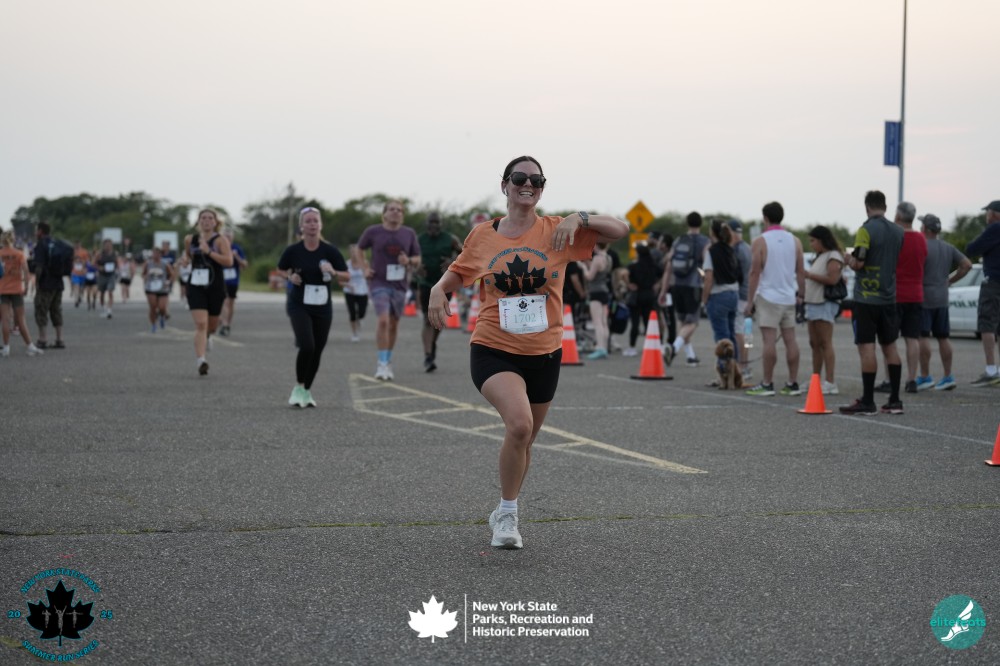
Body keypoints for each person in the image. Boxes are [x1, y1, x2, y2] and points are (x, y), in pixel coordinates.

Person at [426, 155, 628, 550]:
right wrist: (438, 288)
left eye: (537, 180)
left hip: (545, 352)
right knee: (519, 426)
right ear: (505, 185)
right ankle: (508, 515)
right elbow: (461, 270)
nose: (528, 185)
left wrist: (580, 218)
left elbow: (621, 230)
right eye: (520, 178)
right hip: (494, 348)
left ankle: (506, 506)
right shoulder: (483, 235)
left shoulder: (558, 231)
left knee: (526, 439)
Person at [839, 190, 905, 415]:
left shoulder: (865, 230)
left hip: (866, 299)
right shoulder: (898, 231)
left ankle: (868, 401)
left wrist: (848, 259)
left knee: (867, 348)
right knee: (890, 347)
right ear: (885, 207)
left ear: (867, 207)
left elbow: (859, 263)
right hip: (889, 298)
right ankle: (895, 400)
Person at [277, 207, 350, 407]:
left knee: (317, 349)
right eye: (308, 221)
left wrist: (333, 272)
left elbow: (347, 276)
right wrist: (290, 277)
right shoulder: (293, 250)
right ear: (301, 226)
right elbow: (280, 269)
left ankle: (306, 391)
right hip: (299, 304)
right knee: (307, 345)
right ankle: (298, 386)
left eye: (315, 221)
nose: (312, 224)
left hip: (323, 306)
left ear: (321, 225)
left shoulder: (330, 250)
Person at [744, 202, 804, 396]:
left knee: (769, 341)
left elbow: (755, 272)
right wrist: (801, 294)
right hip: (788, 296)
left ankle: (767, 383)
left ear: (765, 218)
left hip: (768, 296)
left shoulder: (760, 241)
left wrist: (749, 301)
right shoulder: (795, 241)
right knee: (790, 340)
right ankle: (792, 383)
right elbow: (800, 270)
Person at [357, 200, 421, 380]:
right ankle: (381, 363)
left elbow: (417, 258)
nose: (396, 212)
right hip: (379, 282)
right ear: (384, 213)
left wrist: (408, 261)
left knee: (393, 324)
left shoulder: (408, 233)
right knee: (383, 321)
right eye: (392, 209)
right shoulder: (373, 231)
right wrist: (364, 268)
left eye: (399, 210)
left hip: (399, 285)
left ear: (403, 215)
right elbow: (359, 249)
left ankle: (387, 360)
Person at [875, 202, 926, 394]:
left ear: (897, 216)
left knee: (889, 340)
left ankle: (890, 379)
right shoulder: (921, 239)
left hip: (894, 294)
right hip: (916, 294)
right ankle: (911, 379)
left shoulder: (895, 237)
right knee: (912, 338)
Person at [916, 213, 971, 391]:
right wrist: (950, 280)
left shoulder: (921, 246)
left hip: (924, 296)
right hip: (942, 297)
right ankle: (948, 376)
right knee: (943, 337)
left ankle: (925, 376)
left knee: (923, 336)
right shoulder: (948, 247)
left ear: (925, 229)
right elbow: (967, 265)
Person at [183, 209, 234, 376]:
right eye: (203, 218)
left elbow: (229, 261)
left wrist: (209, 252)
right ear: (198, 221)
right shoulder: (190, 239)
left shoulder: (220, 240)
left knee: (211, 326)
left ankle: (209, 336)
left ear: (215, 222)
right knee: (200, 324)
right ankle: (201, 360)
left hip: (215, 286)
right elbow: (188, 256)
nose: (206, 221)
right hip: (196, 285)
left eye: (210, 218)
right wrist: (185, 261)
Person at [660, 212, 710, 366]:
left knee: (683, 322)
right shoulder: (704, 241)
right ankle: (673, 348)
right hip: (693, 286)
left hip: (677, 286)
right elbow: (707, 266)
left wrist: (663, 291)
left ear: (687, 223)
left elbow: (668, 267)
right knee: (692, 323)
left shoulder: (678, 240)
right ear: (700, 223)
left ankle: (690, 356)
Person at [416, 212, 462, 371]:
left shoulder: (450, 239)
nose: (434, 225)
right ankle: (428, 356)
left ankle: (432, 343)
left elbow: (466, 253)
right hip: (425, 283)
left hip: (444, 285)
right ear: (426, 224)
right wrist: (416, 267)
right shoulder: (419, 240)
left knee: (438, 320)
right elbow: (411, 257)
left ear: (441, 224)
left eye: (437, 222)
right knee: (427, 319)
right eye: (431, 222)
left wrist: (453, 261)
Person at [803, 225, 845, 395]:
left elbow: (832, 279)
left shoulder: (833, 256)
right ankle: (816, 379)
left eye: (813, 241)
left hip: (824, 303)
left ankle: (830, 381)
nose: (811, 244)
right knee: (814, 343)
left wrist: (809, 275)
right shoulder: (820, 256)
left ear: (822, 240)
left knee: (825, 342)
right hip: (813, 302)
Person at [701, 219, 741, 383]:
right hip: (733, 294)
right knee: (731, 336)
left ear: (712, 232)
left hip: (719, 295)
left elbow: (708, 278)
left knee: (722, 338)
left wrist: (704, 299)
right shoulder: (730, 249)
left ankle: (724, 374)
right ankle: (736, 372)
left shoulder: (712, 251)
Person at [966, 200, 1000, 386]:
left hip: (994, 283)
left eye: (987, 212)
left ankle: (991, 370)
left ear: (994, 214)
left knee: (987, 325)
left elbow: (972, 248)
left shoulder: (994, 229)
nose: (986, 215)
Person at [1, 231, 43, 357]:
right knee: (20, 319)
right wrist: (26, 286)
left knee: (5, 319)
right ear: (13, 240)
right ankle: (29, 345)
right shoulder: (19, 254)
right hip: (16, 289)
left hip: (2, 289)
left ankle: (6, 347)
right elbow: (26, 271)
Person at [31, 222, 66, 349]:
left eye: (37, 230)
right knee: (56, 310)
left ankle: (43, 339)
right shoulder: (56, 243)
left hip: (46, 284)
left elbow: (39, 266)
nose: (36, 233)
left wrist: (37, 283)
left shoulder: (41, 244)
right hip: (58, 283)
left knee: (41, 310)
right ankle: (59, 339)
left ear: (40, 231)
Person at [625, 241, 663, 357]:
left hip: (636, 296)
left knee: (635, 323)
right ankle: (650, 345)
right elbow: (663, 274)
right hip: (649, 295)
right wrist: (658, 284)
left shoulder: (633, 266)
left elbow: (623, 274)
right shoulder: (653, 266)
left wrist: (629, 284)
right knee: (649, 323)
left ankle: (632, 347)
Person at [729, 220, 752, 378]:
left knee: (739, 332)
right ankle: (746, 365)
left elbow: (736, 274)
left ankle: (742, 367)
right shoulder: (748, 248)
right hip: (750, 294)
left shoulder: (737, 250)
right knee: (748, 332)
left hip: (741, 295)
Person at [582, 242, 612, 359]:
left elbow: (590, 276)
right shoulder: (608, 258)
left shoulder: (597, 258)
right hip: (604, 290)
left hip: (595, 291)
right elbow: (599, 270)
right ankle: (604, 346)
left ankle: (600, 348)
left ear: (596, 245)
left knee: (597, 322)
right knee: (604, 321)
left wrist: (583, 268)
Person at [219, 227, 248, 337]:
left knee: (230, 303)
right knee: (224, 301)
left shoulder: (237, 248)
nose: (227, 239)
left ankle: (227, 324)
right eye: (225, 236)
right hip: (221, 280)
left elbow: (244, 265)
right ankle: (224, 324)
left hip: (233, 281)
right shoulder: (218, 248)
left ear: (232, 238)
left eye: (229, 237)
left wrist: (236, 256)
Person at [143, 246, 175, 333]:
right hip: (151, 288)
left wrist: (168, 282)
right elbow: (143, 273)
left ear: (160, 254)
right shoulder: (148, 263)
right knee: (152, 307)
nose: (155, 255)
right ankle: (153, 324)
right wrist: (145, 278)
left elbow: (172, 274)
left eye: (157, 253)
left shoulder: (165, 264)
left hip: (162, 288)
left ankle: (162, 316)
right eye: (154, 253)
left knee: (162, 307)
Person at [343, 244, 370, 343]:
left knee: (362, 312)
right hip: (350, 291)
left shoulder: (365, 263)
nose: (354, 254)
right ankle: (355, 334)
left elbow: (368, 276)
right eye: (352, 252)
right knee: (352, 313)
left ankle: (360, 319)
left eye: (355, 252)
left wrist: (366, 272)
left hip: (362, 291)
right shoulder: (346, 264)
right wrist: (348, 285)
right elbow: (341, 279)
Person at [94, 239, 118, 319]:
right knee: (102, 293)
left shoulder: (114, 254)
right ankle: (103, 307)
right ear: (104, 246)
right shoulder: (100, 254)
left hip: (111, 275)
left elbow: (117, 263)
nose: (108, 246)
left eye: (109, 245)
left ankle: (109, 310)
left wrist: (117, 270)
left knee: (110, 291)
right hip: (102, 275)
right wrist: (99, 268)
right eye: (106, 245)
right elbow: (94, 263)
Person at [71, 241, 90, 307]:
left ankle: (80, 296)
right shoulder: (72, 251)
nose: (77, 245)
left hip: (82, 272)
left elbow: (87, 261)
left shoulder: (84, 252)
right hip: (75, 272)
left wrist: (86, 269)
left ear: (80, 244)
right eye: (76, 244)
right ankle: (76, 300)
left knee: (82, 287)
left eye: (78, 244)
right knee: (76, 286)